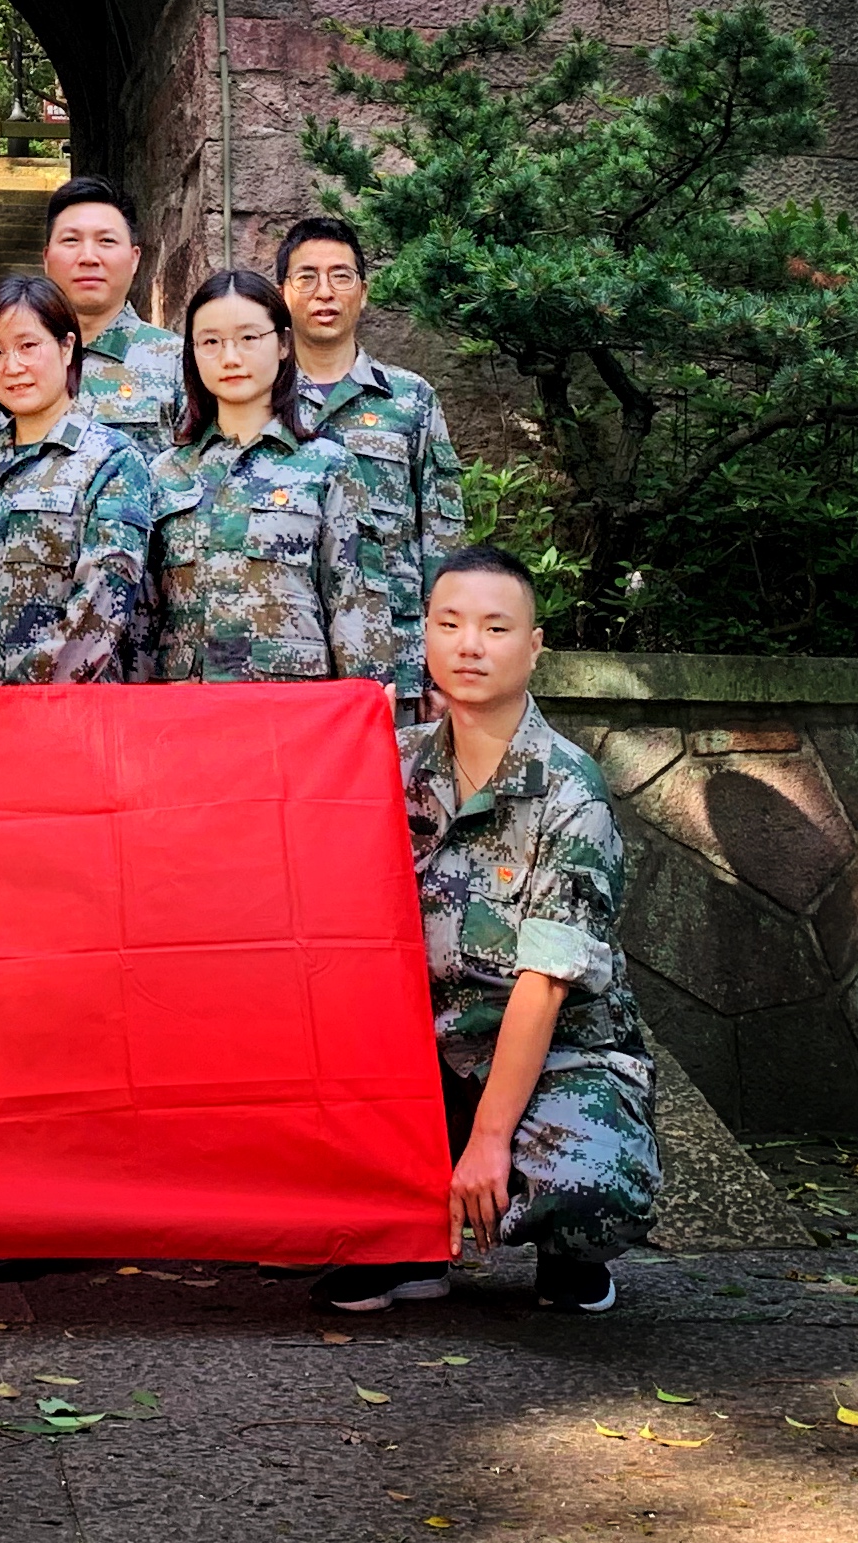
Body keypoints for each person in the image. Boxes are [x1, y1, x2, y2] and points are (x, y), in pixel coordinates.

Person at [317, 545, 659, 1315]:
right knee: (294, 1170)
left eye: (495, 627)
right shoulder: (384, 763)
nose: (468, 645)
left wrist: (487, 1138)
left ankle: (566, 1253)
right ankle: (407, 1242)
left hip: (554, 1056)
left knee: (589, 1191)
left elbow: (544, 984)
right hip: (414, 1060)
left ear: (533, 647)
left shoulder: (569, 790)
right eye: (448, 623)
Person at [0, 272, 158, 687]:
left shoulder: (111, 461)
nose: (12, 367)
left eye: (27, 346)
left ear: (66, 347)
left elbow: (102, 602)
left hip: (62, 712)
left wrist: (18, 702)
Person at [144, 268, 392, 685]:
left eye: (248, 338)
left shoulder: (327, 467)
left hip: (293, 705)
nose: (230, 358)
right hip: (185, 703)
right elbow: (144, 614)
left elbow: (355, 602)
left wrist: (366, 696)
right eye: (210, 342)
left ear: (282, 344)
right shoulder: (166, 473)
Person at [277, 214, 469, 708]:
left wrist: (442, 669)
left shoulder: (410, 400)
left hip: (395, 663)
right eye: (307, 277)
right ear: (283, 294)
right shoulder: (258, 399)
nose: (324, 292)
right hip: (282, 658)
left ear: (363, 293)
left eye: (341, 276)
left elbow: (442, 538)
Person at [42, 175, 184, 456]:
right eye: (71, 240)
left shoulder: (178, 362)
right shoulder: (14, 362)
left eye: (106, 241)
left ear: (134, 258)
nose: (88, 257)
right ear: (46, 258)